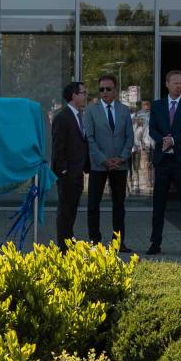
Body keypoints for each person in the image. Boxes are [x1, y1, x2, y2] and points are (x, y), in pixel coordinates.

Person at [146, 70, 181, 258]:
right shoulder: (157, 105)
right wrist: (163, 140)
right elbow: (152, 128)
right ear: (167, 84)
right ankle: (155, 243)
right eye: (175, 83)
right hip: (163, 161)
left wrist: (174, 140)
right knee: (158, 204)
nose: (178, 86)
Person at [83, 74, 134, 245]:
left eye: (108, 89)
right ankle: (94, 241)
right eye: (101, 89)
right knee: (93, 204)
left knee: (119, 205)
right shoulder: (91, 110)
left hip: (120, 165)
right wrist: (103, 159)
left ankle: (118, 243)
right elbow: (89, 138)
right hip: (99, 165)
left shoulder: (124, 110)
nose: (104, 92)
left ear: (115, 90)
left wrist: (121, 158)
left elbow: (129, 137)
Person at [49, 81, 90, 244]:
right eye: (83, 93)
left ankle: (68, 241)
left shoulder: (80, 116)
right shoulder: (62, 117)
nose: (86, 96)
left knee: (72, 209)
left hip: (78, 171)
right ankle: (63, 246)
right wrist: (64, 170)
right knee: (65, 210)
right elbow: (58, 146)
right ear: (74, 95)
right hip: (67, 174)